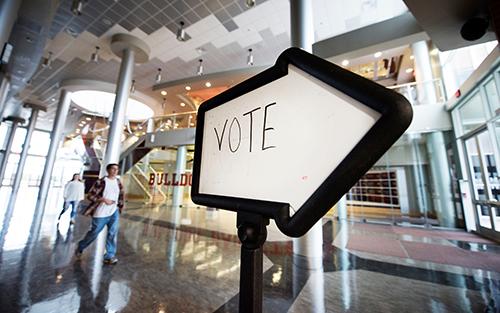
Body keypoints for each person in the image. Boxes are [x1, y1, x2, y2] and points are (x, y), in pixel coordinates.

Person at [75, 163, 124, 265]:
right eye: (113, 169)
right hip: (101, 212)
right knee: (94, 232)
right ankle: (81, 246)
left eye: (117, 169)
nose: (115, 171)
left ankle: (109, 256)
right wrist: (102, 199)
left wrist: (119, 206)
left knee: (112, 233)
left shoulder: (118, 182)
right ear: (108, 170)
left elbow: (121, 195)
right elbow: (90, 196)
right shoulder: (101, 182)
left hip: (113, 211)